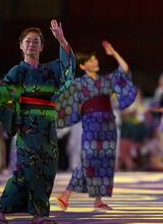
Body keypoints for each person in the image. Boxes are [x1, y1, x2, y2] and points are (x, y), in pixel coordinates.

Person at [0, 20, 75, 224]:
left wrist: (61, 40)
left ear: (42, 46)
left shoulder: (50, 71)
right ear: (21, 46)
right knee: (26, 169)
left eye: (36, 42)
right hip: (29, 128)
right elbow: (2, 89)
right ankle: (1, 211)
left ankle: (39, 214)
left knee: (47, 170)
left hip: (48, 129)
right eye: (28, 41)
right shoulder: (18, 71)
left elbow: (68, 68)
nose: (31, 45)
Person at [56, 41, 137, 211]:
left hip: (109, 125)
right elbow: (68, 104)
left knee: (105, 161)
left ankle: (98, 201)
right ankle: (66, 194)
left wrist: (114, 52)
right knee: (88, 160)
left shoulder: (107, 80)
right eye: (91, 60)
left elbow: (125, 69)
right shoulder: (78, 84)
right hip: (91, 124)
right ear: (83, 65)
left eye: (95, 59)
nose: (96, 62)